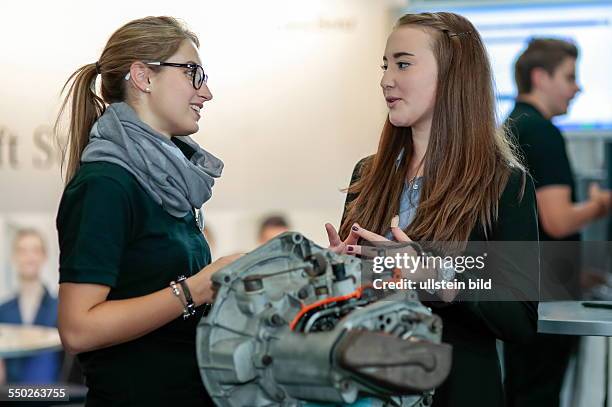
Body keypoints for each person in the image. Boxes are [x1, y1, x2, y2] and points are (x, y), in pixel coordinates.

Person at [324, 12, 539, 407]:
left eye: (403, 64)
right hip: (365, 390)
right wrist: (336, 273)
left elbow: (521, 319)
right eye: (385, 66)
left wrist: (442, 281)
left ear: (453, 74)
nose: (387, 79)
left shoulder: (504, 184)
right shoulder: (369, 173)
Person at [54, 16, 240, 406]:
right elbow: (78, 328)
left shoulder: (168, 183)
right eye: (194, 73)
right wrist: (197, 288)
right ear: (143, 76)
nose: (206, 92)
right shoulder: (105, 185)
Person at [503, 38, 611, 407]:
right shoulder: (543, 133)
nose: (577, 87)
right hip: (547, 300)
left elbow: (529, 223)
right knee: (539, 394)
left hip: (523, 289)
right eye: (569, 76)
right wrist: (600, 206)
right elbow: (558, 220)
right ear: (540, 77)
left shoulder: (511, 127)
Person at [0, 229, 61, 384]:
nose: (29, 257)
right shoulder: (3, 310)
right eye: (22, 250)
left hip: (51, 395)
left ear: (44, 256)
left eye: (35, 250)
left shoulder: (60, 307)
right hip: (11, 395)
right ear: (13, 257)